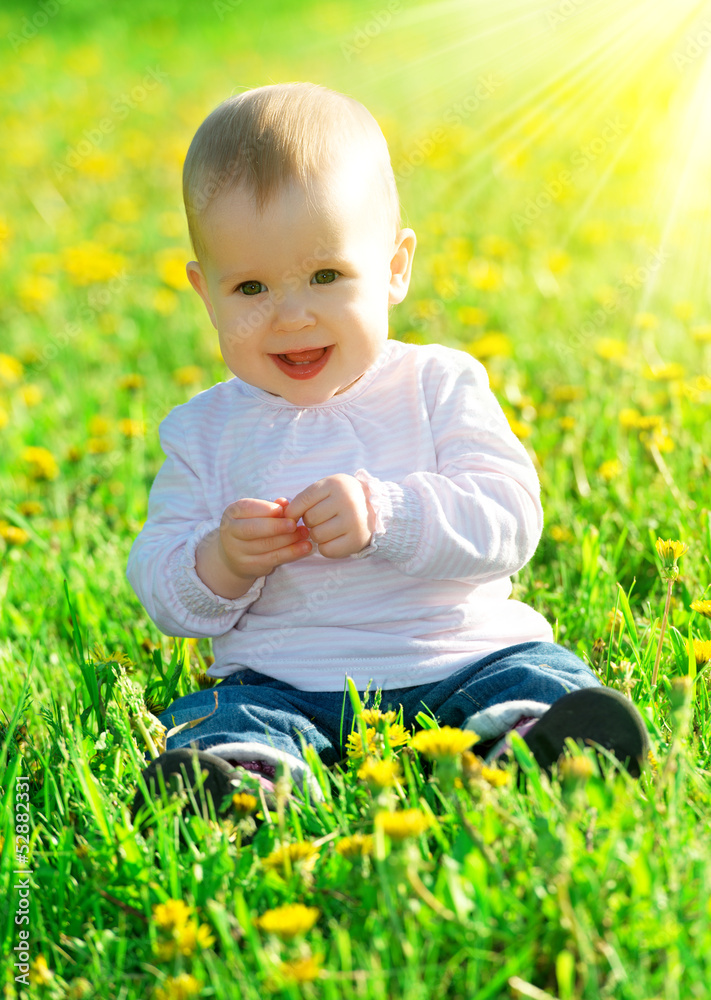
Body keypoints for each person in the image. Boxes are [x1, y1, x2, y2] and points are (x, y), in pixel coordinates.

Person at [127, 82, 648, 823]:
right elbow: (163, 586)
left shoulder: (436, 385)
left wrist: (391, 513)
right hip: (282, 678)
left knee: (534, 676)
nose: (292, 313)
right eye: (250, 287)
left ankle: (527, 742)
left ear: (395, 266)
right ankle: (247, 779)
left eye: (326, 275)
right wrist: (223, 560)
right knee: (220, 712)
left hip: (460, 656)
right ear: (205, 292)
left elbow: (508, 520)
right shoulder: (202, 432)